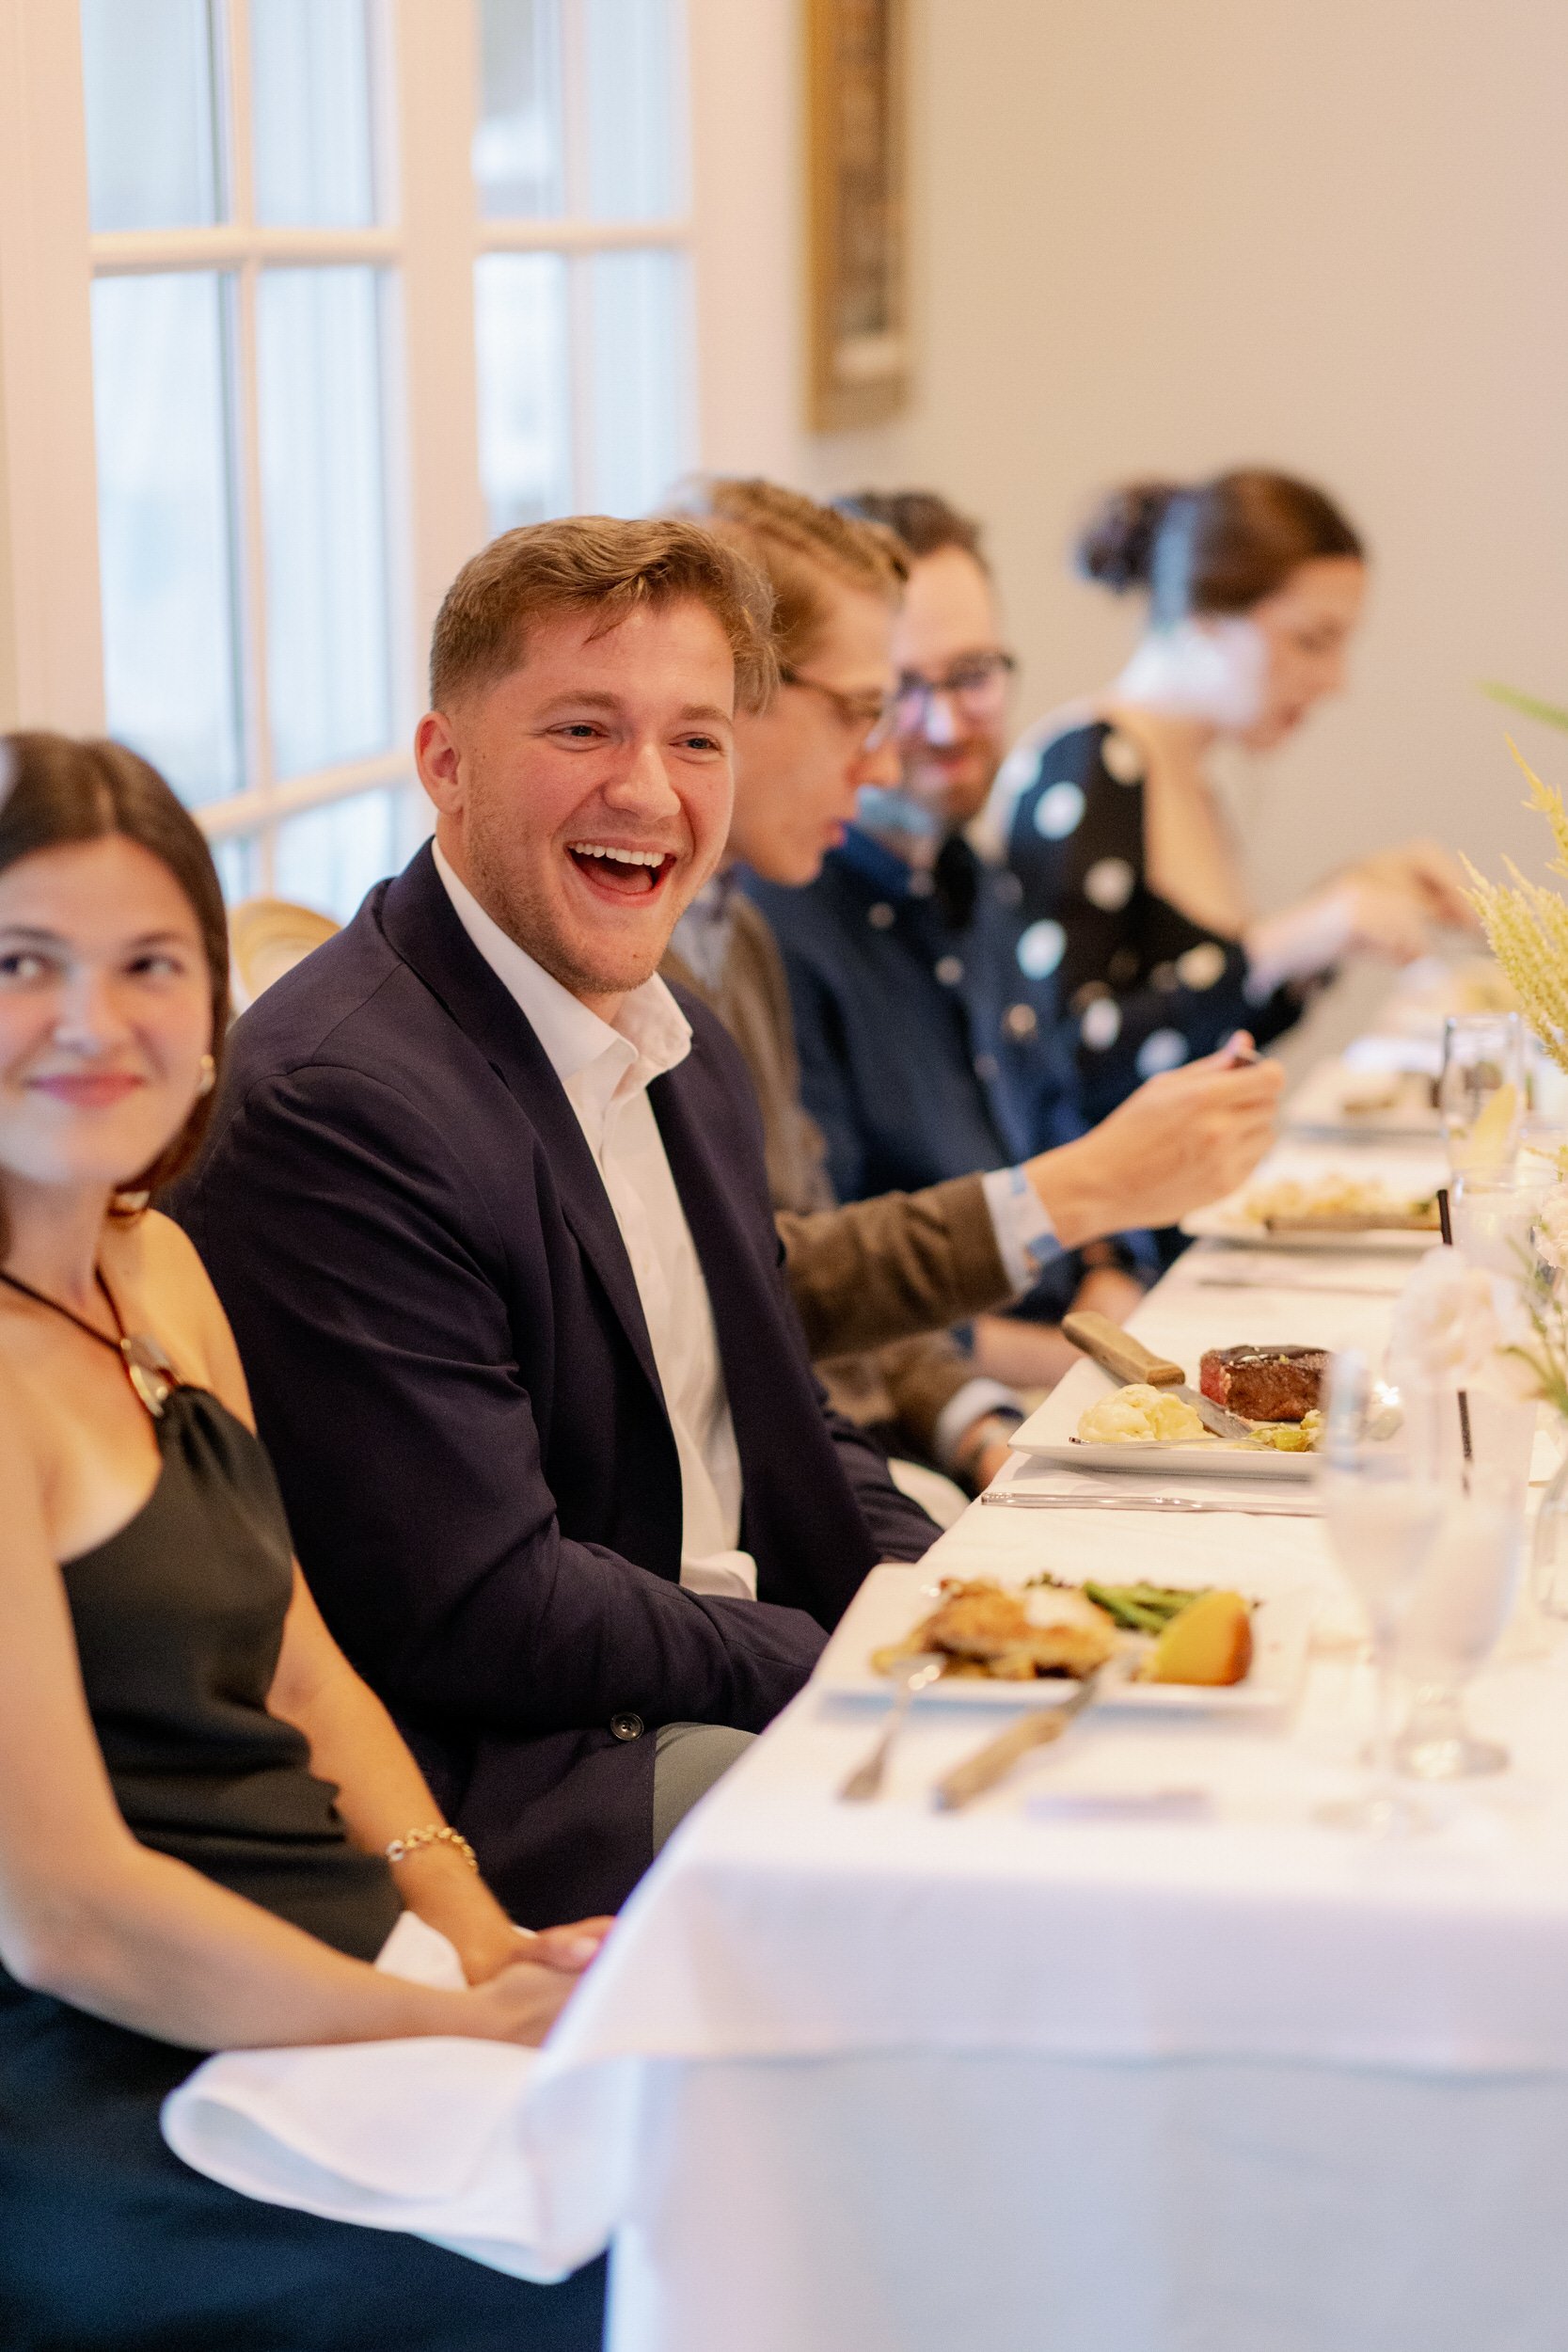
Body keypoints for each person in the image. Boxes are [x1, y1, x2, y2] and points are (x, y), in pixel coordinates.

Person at [172, 517, 941, 1931]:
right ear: (444, 764)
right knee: (932, 1865)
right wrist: (834, 1655)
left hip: (696, 1662)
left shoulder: (674, 1042)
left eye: (695, 740)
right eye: (583, 728)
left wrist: (956, 1599)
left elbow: (769, 1418)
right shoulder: (341, 1102)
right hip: (522, 1776)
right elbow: (480, 1608)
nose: (646, 790)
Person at [0, 734, 608, 2349]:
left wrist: (481, 1936)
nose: (88, 1019)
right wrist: (430, 2020)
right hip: (113, 2075)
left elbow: (308, 1672)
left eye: (148, 965)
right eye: (21, 963)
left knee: (744, 2149)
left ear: (210, 1016)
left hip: (322, 1976)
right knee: (643, 2283)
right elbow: (63, 1914)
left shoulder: (156, 1266)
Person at [666, 477, 1286, 1487]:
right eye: (882, 701)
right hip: (926, 1416)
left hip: (1001, 1389)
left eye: (974, 675)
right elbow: (804, 1278)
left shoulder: (961, 874)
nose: (928, 734)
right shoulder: (766, 927)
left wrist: (1105, 1283)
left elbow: (1040, 1118)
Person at [989, 469, 1477, 1129]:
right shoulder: (1089, 767)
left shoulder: (1178, 773)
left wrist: (1335, 917)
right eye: (1310, 640)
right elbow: (1061, 1059)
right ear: (1203, 618)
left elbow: (1216, 1025)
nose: (1333, 682)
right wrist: (1283, 943)